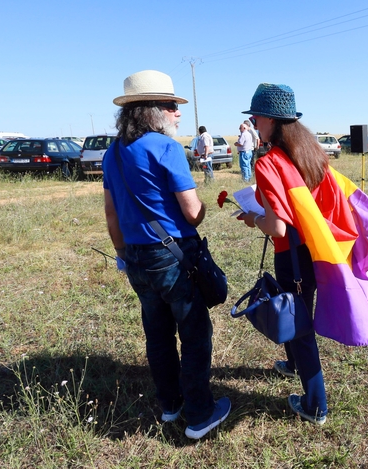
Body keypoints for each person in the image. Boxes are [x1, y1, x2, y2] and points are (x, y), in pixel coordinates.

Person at [236, 83, 368, 426]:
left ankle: (315, 406)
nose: (253, 120)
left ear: (269, 119)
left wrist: (253, 218)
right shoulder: (310, 153)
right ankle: (292, 365)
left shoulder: (269, 163)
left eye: (256, 115)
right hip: (316, 250)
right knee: (297, 312)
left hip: (292, 256)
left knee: (300, 327)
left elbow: (277, 227)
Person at [102, 70, 230, 440]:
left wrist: (122, 254)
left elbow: (111, 214)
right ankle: (200, 415)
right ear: (151, 111)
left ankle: (170, 406)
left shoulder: (113, 153)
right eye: (172, 106)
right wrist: (204, 208)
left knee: (157, 335)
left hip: (136, 257)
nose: (177, 113)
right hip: (172, 256)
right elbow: (192, 213)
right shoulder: (167, 148)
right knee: (194, 333)